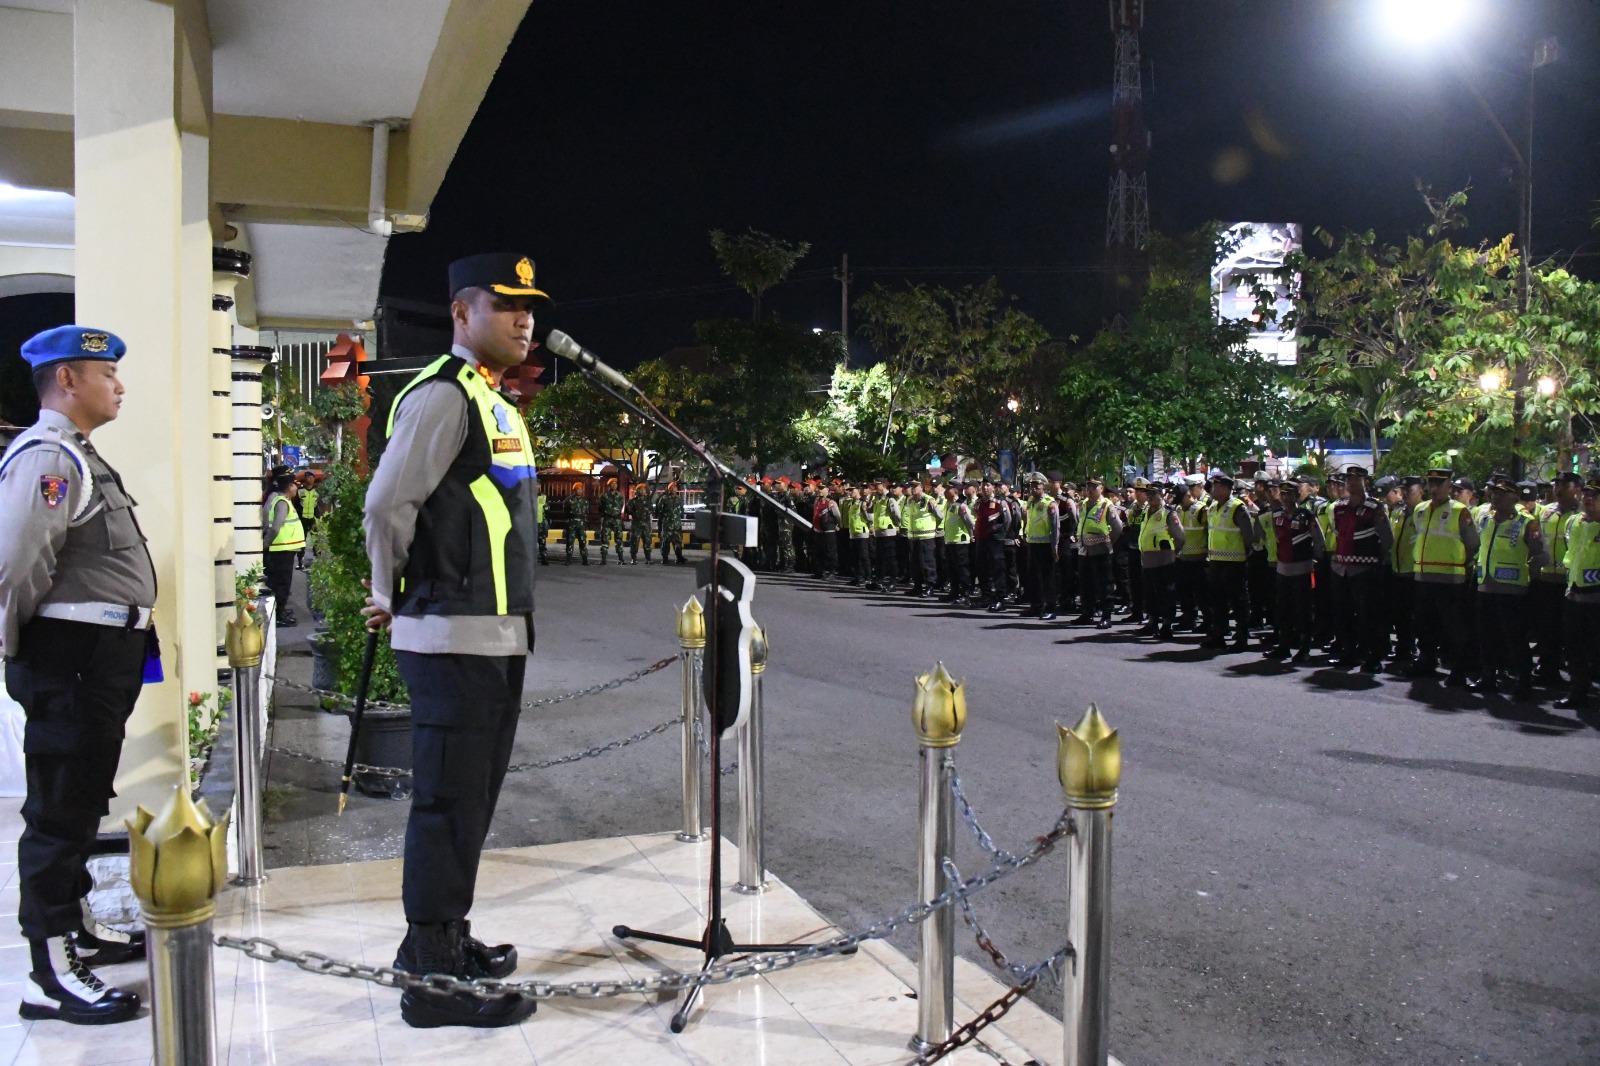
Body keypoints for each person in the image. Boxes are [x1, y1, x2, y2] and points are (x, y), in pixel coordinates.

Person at [362, 252, 546, 1028]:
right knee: (444, 803)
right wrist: (384, 591)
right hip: (450, 634)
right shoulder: (443, 396)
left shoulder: (493, 400)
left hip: (495, 635)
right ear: (461, 315)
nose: (524, 318)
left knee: (471, 801)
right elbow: (386, 503)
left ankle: (444, 937)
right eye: (506, 305)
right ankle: (431, 981)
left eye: (530, 306)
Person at [0, 326, 154, 1025]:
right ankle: (49, 972)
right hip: (72, 657)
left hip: (96, 656)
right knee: (59, 809)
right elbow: (15, 564)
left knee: (82, 797)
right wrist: (23, 647)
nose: (118, 385)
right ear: (67, 380)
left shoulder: (80, 456)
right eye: (106, 372)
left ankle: (75, 928)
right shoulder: (48, 458)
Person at [1470, 473, 1547, 695]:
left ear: (1514, 497)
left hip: (1512, 590)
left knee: (1515, 638)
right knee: (1486, 635)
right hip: (1485, 586)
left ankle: (1523, 680)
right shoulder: (1485, 520)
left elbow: (1541, 555)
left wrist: (1528, 574)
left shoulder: (1526, 522)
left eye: (1502, 494)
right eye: (1494, 493)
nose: (1495, 497)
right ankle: (1488, 677)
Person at [1408, 469, 1479, 686]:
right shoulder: (1420, 509)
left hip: (1450, 579)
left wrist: (1460, 566)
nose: (1435, 487)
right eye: (1432, 483)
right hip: (1423, 578)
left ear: (1450, 486)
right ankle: (1426, 661)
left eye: (1440, 483)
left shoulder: (1460, 511)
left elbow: (1473, 544)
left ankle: (1458, 669)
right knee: (1424, 625)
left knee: (1454, 629)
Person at [1328, 466, 1393, 673]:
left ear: (1365, 481)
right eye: (1349, 479)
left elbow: (1387, 539)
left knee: (1369, 616)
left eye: (1356, 479)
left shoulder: (1374, 508)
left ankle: (1373, 656)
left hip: (1364, 570)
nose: (1351, 483)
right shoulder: (1339, 508)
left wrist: (1373, 558)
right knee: (1342, 613)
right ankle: (1348, 651)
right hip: (1342, 569)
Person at [1267, 476, 1324, 663]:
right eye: (1282, 494)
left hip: (1302, 568)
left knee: (1303, 610)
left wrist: (1314, 559)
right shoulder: (1277, 515)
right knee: (1283, 609)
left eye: (1289, 494)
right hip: (1283, 569)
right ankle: (1284, 645)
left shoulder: (1307, 516)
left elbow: (1319, 540)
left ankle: (1304, 647)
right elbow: (1278, 539)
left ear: (1297, 495)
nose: (1285, 498)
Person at [1556, 472, 1600, 709]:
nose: (1589, 499)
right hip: (1575, 594)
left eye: (1595, 495)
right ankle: (1577, 692)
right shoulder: (1574, 522)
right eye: (1587, 494)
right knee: (1574, 648)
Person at [1532, 472, 1581, 683]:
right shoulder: (1545, 512)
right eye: (1556, 485)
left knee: (1571, 632)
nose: (1558, 489)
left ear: (1577, 489)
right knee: (1545, 628)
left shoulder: (1581, 515)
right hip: (1545, 580)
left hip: (1570, 582)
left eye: (1564, 485)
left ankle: (1577, 677)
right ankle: (1547, 669)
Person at [1203, 472, 1256, 650]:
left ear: (1225, 489)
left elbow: (1249, 536)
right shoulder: (1212, 507)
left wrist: (1245, 555)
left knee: (1238, 602)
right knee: (1218, 601)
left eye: (1216, 486)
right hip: (1216, 561)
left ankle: (1241, 637)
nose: (1212, 489)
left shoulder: (1237, 507)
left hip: (1234, 563)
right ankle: (1219, 634)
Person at [1134, 480, 1184, 638]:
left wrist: (1173, 553)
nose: (1149, 497)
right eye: (1148, 494)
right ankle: (1152, 622)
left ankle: (1167, 625)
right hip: (1148, 558)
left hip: (1164, 559)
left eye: (1153, 494)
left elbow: (1181, 537)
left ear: (1161, 494)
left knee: (1165, 593)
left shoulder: (1169, 513)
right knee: (1150, 593)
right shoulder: (1146, 510)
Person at [1073, 478, 1120, 628]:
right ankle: (1087, 613)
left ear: (1101, 488)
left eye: (1094, 487)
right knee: (1086, 583)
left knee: (1104, 584)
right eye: (1088, 487)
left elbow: (1117, 527)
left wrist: (1109, 542)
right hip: (1084, 549)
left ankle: (1106, 615)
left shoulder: (1106, 505)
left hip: (1101, 549)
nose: (1090, 489)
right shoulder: (1084, 504)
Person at [262, 466, 304, 627]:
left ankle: (280, 611)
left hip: (283, 549)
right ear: (289, 487)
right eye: (294, 484)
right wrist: (266, 545)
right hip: (281, 550)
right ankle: (279, 616)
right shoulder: (281, 502)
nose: (296, 487)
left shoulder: (280, 499)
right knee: (282, 584)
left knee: (280, 583)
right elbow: (275, 527)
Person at [1021, 474, 1061, 620]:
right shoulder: (1030, 501)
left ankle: (1050, 607)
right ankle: (1036, 606)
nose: (1033, 489)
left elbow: (1055, 526)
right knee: (1033, 577)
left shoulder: (1050, 503)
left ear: (1043, 487)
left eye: (1036, 487)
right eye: (1031, 486)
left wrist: (1054, 545)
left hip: (1045, 544)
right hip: (1033, 543)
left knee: (1047, 578)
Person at [1175, 474, 1209, 632]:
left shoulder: (1202, 509)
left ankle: (1208, 621)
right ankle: (1189, 618)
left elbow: (1210, 532)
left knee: (1203, 594)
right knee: (1185, 593)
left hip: (1200, 558)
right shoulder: (1179, 509)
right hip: (1183, 558)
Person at [941, 485, 975, 606]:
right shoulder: (948, 504)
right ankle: (954, 592)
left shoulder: (961, 506)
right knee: (952, 569)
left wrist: (972, 535)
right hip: (950, 540)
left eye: (948, 489)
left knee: (962, 569)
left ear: (955, 492)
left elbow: (970, 523)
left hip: (960, 541)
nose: (945, 491)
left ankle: (964, 594)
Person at [870, 480, 901, 591]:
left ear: (883, 486)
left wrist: (897, 526)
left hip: (888, 532)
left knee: (890, 558)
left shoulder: (890, 498)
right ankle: (879, 580)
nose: (874, 488)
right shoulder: (878, 499)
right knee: (880, 558)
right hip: (879, 532)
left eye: (876, 485)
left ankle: (893, 581)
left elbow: (897, 514)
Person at [812, 484, 841, 577]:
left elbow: (837, 516)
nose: (820, 491)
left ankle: (832, 571)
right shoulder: (817, 501)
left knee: (830, 551)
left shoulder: (831, 502)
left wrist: (835, 525)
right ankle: (820, 571)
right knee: (819, 552)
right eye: (819, 489)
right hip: (818, 530)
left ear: (827, 490)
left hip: (828, 531)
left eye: (822, 489)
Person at [296, 471, 321, 571]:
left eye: (311, 477)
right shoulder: (300, 491)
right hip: (302, 519)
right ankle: (300, 562)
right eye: (308, 477)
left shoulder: (317, 491)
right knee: (302, 541)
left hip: (313, 519)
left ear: (314, 479)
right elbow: (296, 504)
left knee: (315, 540)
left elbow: (320, 505)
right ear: (305, 479)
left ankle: (318, 561)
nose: (310, 479)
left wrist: (319, 517)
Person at [596, 481, 625, 565]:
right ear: (608, 485)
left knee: (619, 540)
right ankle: (603, 559)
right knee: (605, 540)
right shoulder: (603, 496)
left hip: (617, 520)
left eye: (615, 483)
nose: (614, 485)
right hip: (607, 520)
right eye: (612, 484)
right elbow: (600, 507)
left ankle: (621, 559)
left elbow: (621, 505)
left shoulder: (620, 495)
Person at [625, 483, 654, 565]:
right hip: (636, 524)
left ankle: (648, 559)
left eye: (644, 489)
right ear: (637, 491)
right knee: (634, 542)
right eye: (641, 489)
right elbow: (628, 510)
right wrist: (636, 514)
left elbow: (651, 510)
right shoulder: (633, 501)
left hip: (646, 524)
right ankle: (634, 559)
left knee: (647, 542)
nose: (642, 491)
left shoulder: (648, 501)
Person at [658, 483, 686, 564]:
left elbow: (682, 511)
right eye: (672, 488)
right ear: (668, 489)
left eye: (675, 488)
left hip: (677, 524)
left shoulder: (679, 499)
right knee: (665, 542)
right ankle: (665, 558)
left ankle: (679, 557)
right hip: (667, 524)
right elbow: (660, 511)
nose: (673, 489)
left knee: (678, 542)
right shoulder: (663, 499)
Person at [565, 484, 590, 566]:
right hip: (572, 523)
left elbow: (587, 511)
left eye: (581, 489)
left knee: (582, 541)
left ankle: (585, 559)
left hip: (581, 524)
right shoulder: (569, 500)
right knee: (570, 541)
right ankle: (569, 559)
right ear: (574, 490)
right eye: (578, 489)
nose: (579, 491)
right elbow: (565, 511)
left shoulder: (585, 501)